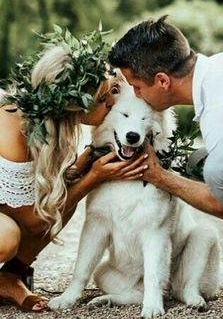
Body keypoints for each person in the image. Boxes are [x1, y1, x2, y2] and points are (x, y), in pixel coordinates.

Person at [0, 36, 148, 312]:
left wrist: (82, 167)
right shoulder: (12, 130)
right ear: (73, 105)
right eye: (103, 99)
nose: (113, 104)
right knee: (5, 236)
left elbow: (41, 195)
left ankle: (8, 278)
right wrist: (94, 178)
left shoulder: (47, 123)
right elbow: (33, 221)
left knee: (66, 192)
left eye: (112, 92)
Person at [108, 15, 223, 222]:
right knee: (198, 162)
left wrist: (158, 176)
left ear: (162, 81)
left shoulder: (220, 116)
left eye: (137, 87)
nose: (137, 95)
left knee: (218, 169)